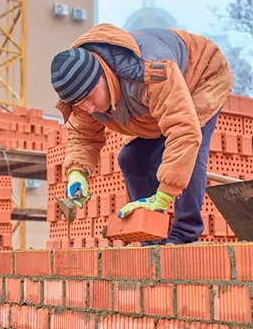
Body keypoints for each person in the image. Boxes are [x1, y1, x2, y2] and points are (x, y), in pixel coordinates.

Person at [51, 23, 233, 245]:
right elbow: (83, 138)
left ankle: (184, 234)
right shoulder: (83, 97)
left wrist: (163, 196)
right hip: (157, 102)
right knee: (130, 158)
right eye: (80, 104)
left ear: (103, 74)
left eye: (90, 98)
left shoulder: (152, 71)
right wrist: (76, 173)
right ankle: (150, 233)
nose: (89, 108)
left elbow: (183, 132)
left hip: (201, 75)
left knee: (188, 154)